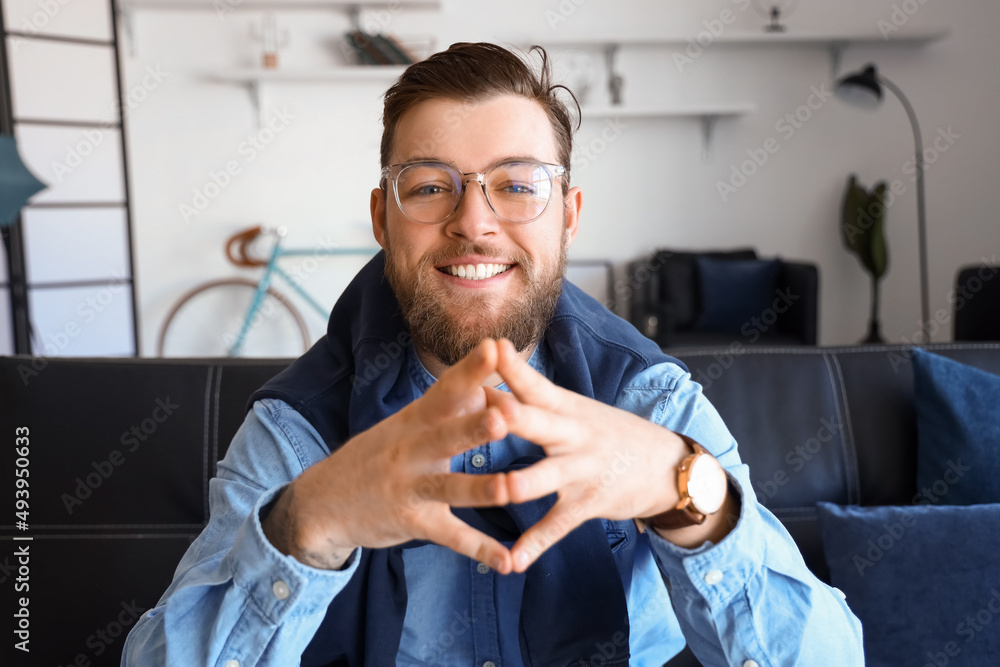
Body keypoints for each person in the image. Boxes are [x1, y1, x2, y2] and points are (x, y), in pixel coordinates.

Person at [123, 42, 863, 666]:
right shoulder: (298, 433)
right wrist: (309, 521)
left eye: (516, 185)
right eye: (429, 186)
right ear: (383, 218)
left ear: (568, 217)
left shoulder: (655, 404)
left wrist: (685, 494)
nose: (473, 223)